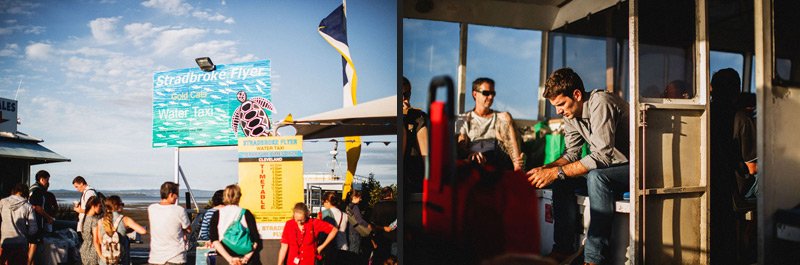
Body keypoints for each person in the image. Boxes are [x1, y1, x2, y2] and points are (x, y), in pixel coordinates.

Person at [527, 68, 630, 265]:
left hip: (634, 169)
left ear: (576, 94)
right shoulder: (571, 115)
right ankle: (563, 249)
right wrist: (547, 170)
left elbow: (602, 156)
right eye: (555, 106)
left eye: (561, 104)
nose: (558, 111)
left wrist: (556, 172)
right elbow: (571, 154)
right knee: (561, 179)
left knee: (597, 177)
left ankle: (594, 259)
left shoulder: (601, 102)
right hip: (608, 169)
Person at [709, 68, 745, 264]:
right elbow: (752, 165)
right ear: (736, 91)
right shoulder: (741, 118)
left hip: (713, 186)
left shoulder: (705, 116)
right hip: (733, 190)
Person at [456, 77, 524, 172]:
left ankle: (518, 170)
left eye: (493, 93)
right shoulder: (464, 118)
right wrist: (471, 154)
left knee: (505, 117)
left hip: (498, 155)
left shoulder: (500, 117)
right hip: (476, 158)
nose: (491, 97)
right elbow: (461, 144)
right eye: (486, 93)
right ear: (475, 94)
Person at [209, 185, 261, 265]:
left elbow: (214, 240)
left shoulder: (217, 214)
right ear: (239, 196)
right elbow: (255, 240)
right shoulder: (246, 213)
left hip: (223, 258)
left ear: (225, 197)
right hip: (244, 257)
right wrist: (245, 258)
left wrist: (229, 259)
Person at [148, 182, 191, 265]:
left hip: (156, 257)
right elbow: (188, 229)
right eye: (176, 194)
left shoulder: (152, 208)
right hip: (175, 257)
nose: (177, 197)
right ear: (171, 194)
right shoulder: (179, 210)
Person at [96, 195, 146, 265]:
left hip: (105, 260)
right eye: (122, 204)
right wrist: (127, 230)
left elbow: (99, 241)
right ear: (117, 206)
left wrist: (101, 256)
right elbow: (143, 231)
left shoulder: (100, 221)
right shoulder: (125, 219)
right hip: (121, 259)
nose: (123, 206)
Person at [403, 77, 429, 194]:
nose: (405, 99)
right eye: (402, 95)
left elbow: (425, 153)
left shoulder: (417, 117)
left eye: (407, 95)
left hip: (413, 177)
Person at [0, 183, 37, 264]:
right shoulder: (28, 206)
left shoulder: (2, 202)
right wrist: (26, 233)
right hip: (20, 243)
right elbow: (33, 229)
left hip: (5, 242)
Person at [28, 170, 56, 264]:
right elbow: (38, 207)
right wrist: (48, 217)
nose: (48, 182)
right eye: (47, 180)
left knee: (31, 243)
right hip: (36, 221)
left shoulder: (31, 188)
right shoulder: (38, 190)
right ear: (42, 179)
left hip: (29, 220)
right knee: (34, 243)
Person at [369, 187, 397, 265]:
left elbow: (372, 223)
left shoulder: (377, 206)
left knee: (380, 259)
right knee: (393, 260)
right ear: (391, 194)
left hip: (380, 237)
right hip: (394, 238)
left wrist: (382, 228)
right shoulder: (396, 205)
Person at [319, 192, 349, 264]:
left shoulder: (322, 214)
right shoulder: (345, 215)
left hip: (329, 248)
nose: (323, 204)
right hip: (343, 246)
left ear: (327, 201)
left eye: (323, 202)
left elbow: (320, 233)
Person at [345, 190, 370, 257]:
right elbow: (360, 220)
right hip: (355, 232)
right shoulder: (355, 207)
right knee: (354, 254)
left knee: (349, 252)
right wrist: (368, 225)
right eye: (359, 197)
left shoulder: (347, 206)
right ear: (354, 197)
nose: (360, 199)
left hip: (348, 231)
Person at [80, 196, 102, 265]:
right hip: (93, 251)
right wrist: (101, 256)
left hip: (84, 249)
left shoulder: (84, 218)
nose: (101, 208)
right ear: (93, 206)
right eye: (100, 206)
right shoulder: (95, 220)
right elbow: (96, 241)